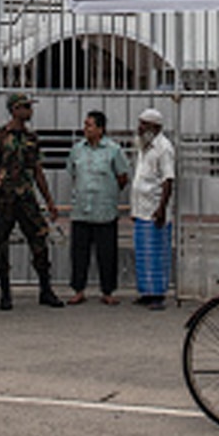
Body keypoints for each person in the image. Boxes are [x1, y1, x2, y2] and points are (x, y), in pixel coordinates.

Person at [0, 93, 65, 310]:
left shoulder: (32, 138)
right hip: (4, 198)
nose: (30, 111)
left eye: (30, 107)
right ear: (14, 110)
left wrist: (49, 201)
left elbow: (38, 171)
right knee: (0, 245)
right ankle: (5, 293)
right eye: (26, 107)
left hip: (27, 198)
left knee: (40, 240)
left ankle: (45, 290)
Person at [65, 109, 130, 306]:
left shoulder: (113, 150)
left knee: (107, 254)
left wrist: (107, 192)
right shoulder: (77, 149)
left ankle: (108, 291)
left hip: (105, 211)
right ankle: (78, 290)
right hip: (81, 210)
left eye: (89, 125)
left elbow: (122, 177)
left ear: (100, 129)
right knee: (79, 253)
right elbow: (73, 173)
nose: (85, 129)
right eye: (85, 125)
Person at [130, 107, 174, 310]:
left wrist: (162, 208)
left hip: (155, 209)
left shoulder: (164, 148)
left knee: (157, 253)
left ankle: (158, 295)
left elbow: (168, 180)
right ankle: (146, 292)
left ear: (154, 127)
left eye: (143, 124)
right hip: (141, 209)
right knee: (143, 254)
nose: (139, 128)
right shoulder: (144, 146)